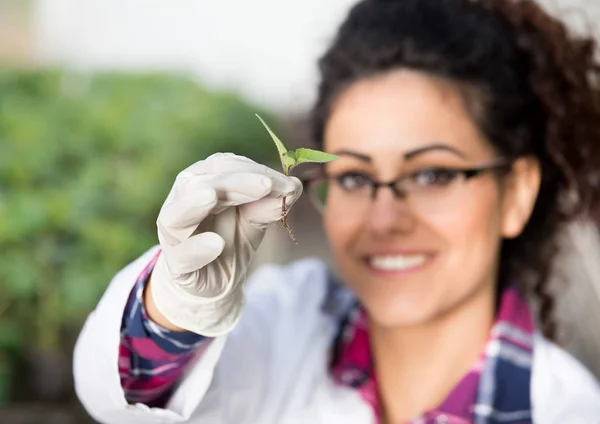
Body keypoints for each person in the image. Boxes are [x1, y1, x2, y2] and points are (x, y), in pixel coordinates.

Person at [73, 0, 600, 422]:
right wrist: (178, 307)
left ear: (517, 193)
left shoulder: (569, 411)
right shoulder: (287, 324)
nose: (385, 219)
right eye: (353, 177)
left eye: (432, 174)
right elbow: (126, 396)